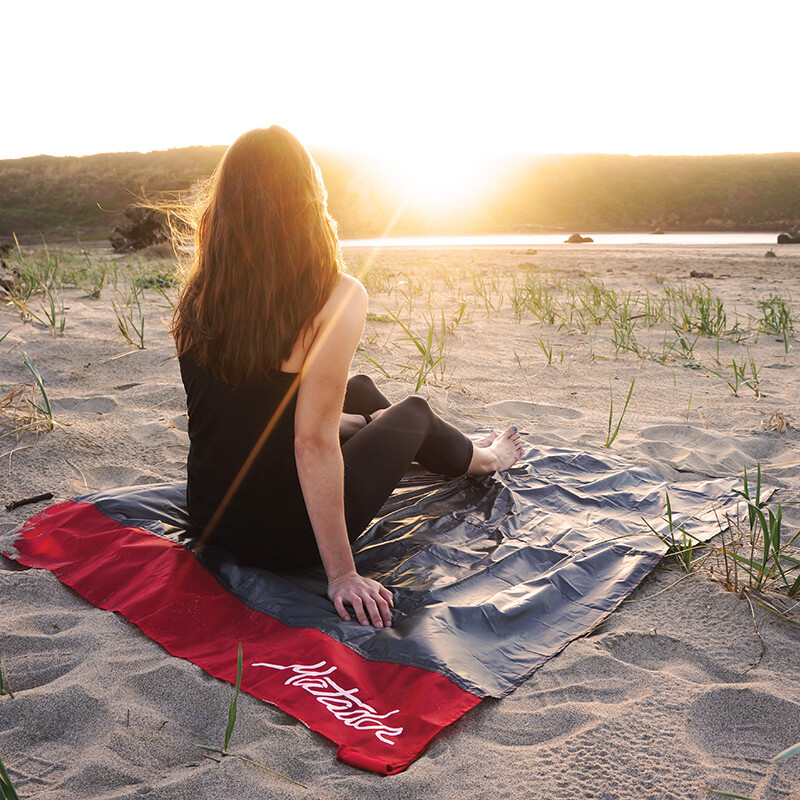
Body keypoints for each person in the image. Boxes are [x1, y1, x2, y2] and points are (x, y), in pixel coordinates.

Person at [171, 127, 524, 630]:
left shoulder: (203, 288)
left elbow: (239, 413)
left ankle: (383, 426)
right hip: (284, 538)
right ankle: (486, 457)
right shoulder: (335, 294)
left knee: (357, 388)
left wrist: (344, 425)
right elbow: (311, 443)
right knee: (413, 415)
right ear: (309, 197)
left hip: (208, 517)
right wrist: (341, 574)